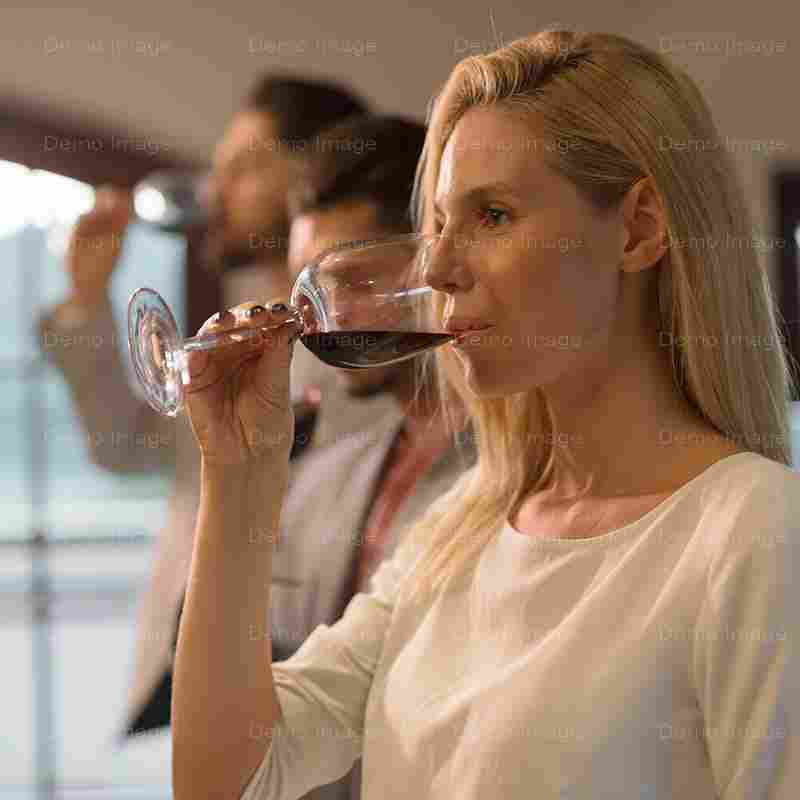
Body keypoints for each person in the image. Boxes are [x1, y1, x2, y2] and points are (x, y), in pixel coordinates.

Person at [172, 28, 800, 800]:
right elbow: (228, 779)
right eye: (440, 223)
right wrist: (238, 477)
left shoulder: (754, 531)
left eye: (494, 215)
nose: (436, 266)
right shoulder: (460, 527)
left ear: (638, 228)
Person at [35, 74, 368, 739]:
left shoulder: (368, 350)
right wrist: (88, 301)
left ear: (314, 174)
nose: (216, 192)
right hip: (193, 685)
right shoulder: (233, 333)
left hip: (315, 700)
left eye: (243, 167)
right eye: (218, 170)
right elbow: (125, 449)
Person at [171, 112, 477, 800]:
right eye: (309, 283)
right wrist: (235, 472)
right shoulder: (330, 473)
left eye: (354, 280)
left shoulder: (508, 486)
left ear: (432, 262)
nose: (324, 315)